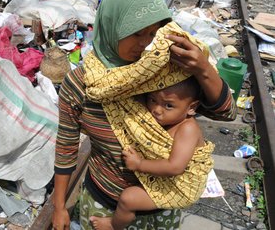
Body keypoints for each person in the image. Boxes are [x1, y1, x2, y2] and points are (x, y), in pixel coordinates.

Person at [52, 0, 237, 230]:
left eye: (152, 33)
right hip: (104, 203)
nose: (145, 44)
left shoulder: (163, 72)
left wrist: (204, 69)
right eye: (136, 33)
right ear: (112, 24)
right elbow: (66, 146)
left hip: (159, 207)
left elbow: (227, 113)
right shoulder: (81, 84)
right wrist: (59, 206)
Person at [91, 77, 214, 230]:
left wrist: (139, 164)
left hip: (181, 188)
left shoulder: (188, 128)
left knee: (128, 199)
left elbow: (175, 167)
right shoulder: (166, 121)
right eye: (152, 100)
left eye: (168, 105)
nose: (156, 110)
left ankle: (113, 225)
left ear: (191, 107)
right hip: (170, 179)